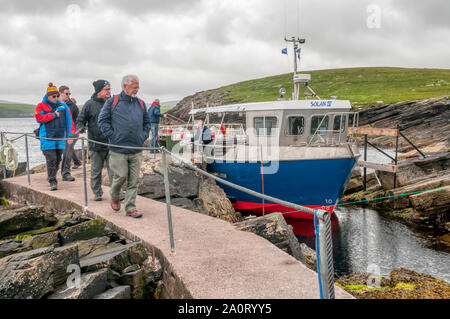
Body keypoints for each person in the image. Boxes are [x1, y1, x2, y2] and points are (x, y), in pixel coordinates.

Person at [98, 75, 150, 218]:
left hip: (136, 149)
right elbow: (102, 121)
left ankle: (130, 208)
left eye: (138, 87)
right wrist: (113, 136)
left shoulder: (141, 103)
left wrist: (143, 136)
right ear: (125, 87)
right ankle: (114, 195)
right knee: (120, 176)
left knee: (134, 181)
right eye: (134, 87)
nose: (137, 90)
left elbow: (147, 122)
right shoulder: (112, 102)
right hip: (117, 149)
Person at [76, 80, 114, 201]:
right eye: (106, 89)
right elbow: (80, 120)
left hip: (111, 142)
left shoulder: (112, 103)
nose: (109, 92)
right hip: (95, 143)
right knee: (96, 171)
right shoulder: (89, 104)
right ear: (99, 91)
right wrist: (80, 128)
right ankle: (97, 192)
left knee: (114, 171)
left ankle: (116, 193)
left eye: (109, 89)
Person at [35, 82, 76, 191]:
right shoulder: (41, 105)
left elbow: (69, 120)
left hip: (60, 138)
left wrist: (70, 135)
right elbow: (38, 118)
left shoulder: (63, 105)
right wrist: (53, 115)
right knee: (51, 159)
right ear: (48, 96)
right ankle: (52, 181)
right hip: (47, 138)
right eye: (54, 96)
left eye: (57, 96)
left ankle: (51, 176)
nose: (56, 98)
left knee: (58, 159)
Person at [59, 85, 81, 181]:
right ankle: (51, 175)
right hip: (58, 132)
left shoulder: (73, 107)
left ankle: (66, 173)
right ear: (60, 93)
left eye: (69, 94)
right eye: (66, 94)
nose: (68, 95)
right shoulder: (54, 104)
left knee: (67, 152)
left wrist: (75, 131)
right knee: (56, 154)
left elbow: (78, 120)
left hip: (71, 132)